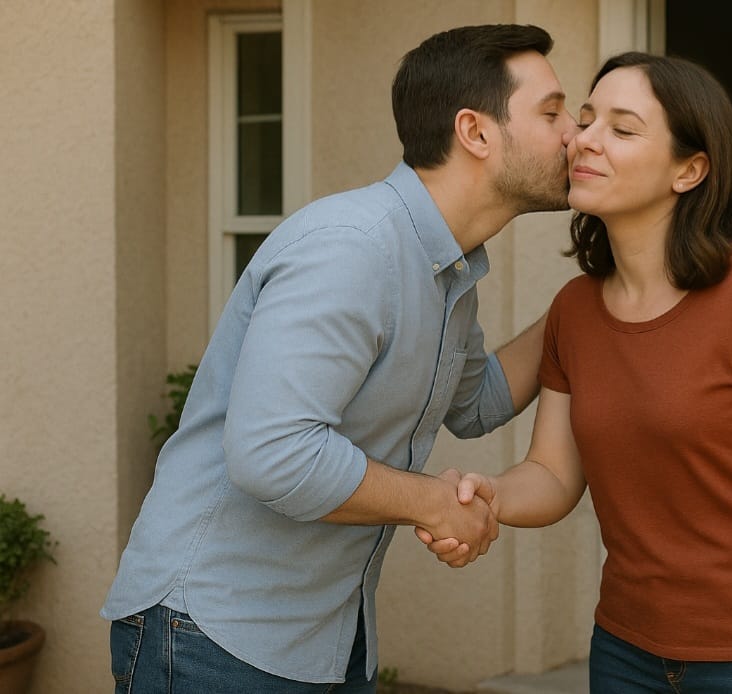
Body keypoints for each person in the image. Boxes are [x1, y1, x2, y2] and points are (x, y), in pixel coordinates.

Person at [101, 24, 577, 693]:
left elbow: (478, 403)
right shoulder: (353, 248)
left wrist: (587, 304)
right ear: (475, 132)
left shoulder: (449, 269)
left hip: (325, 639)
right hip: (213, 635)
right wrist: (432, 505)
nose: (574, 136)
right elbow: (275, 452)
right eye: (553, 113)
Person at [422, 53, 732, 693]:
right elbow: (552, 474)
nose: (585, 140)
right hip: (627, 653)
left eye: (623, 129)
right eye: (586, 118)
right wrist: (487, 495)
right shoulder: (575, 310)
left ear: (690, 170)